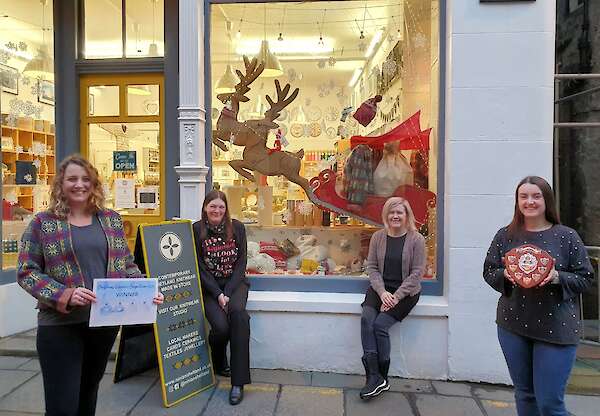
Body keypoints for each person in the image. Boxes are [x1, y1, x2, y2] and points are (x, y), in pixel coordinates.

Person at [17, 154, 163, 416]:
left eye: (86, 179)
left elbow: (126, 265)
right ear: (61, 184)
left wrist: (146, 292)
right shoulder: (43, 223)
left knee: (87, 397)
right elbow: (26, 272)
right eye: (72, 179)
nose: (79, 184)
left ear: (94, 184)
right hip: (60, 326)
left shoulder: (111, 219)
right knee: (62, 407)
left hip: (103, 325)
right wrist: (64, 294)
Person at [483, 176, 594, 416]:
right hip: (513, 326)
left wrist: (556, 277)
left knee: (550, 405)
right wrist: (506, 275)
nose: (529, 201)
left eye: (536, 196)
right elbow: (489, 271)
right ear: (517, 201)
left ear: (547, 200)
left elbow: (586, 278)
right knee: (525, 396)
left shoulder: (567, 236)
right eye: (523, 196)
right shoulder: (505, 235)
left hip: (556, 329)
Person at [360, 197, 426, 400]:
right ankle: (373, 377)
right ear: (386, 215)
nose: (395, 216)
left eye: (399, 212)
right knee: (367, 320)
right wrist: (382, 293)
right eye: (391, 212)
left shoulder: (417, 239)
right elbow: (372, 267)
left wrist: (396, 297)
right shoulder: (378, 237)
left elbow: (417, 273)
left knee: (380, 325)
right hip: (380, 289)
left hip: (406, 292)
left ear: (407, 216)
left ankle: (383, 377)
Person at [193, 190, 250, 405]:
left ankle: (238, 382)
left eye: (221, 207)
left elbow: (241, 263)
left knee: (239, 317)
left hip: (235, 284)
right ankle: (217, 360)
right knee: (221, 328)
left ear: (226, 209)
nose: (216, 210)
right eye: (212, 206)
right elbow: (199, 266)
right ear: (205, 208)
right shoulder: (196, 230)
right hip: (210, 287)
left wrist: (227, 293)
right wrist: (217, 293)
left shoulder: (237, 228)